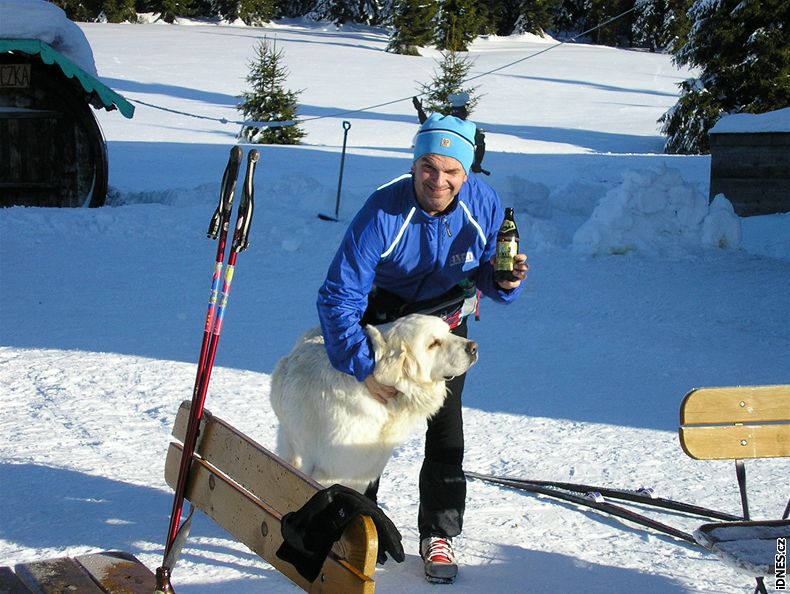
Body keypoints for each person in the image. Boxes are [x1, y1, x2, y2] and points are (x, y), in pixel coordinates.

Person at [316, 113, 528, 583]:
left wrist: (504, 279)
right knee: (367, 429)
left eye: (451, 171)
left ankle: (439, 532)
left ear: (466, 173)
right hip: (388, 330)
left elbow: (488, 271)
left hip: (443, 332)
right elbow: (338, 294)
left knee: (446, 430)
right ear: (414, 165)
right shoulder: (383, 211)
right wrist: (361, 364)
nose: (439, 180)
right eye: (428, 167)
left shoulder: (483, 203)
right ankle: (356, 524)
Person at [412, 93, 489, 175]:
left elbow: (481, 145)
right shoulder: (461, 127)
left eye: (458, 114)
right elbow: (428, 124)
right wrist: (419, 110)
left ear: (464, 114)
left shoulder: (469, 129)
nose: (456, 116)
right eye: (455, 114)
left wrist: (477, 163)